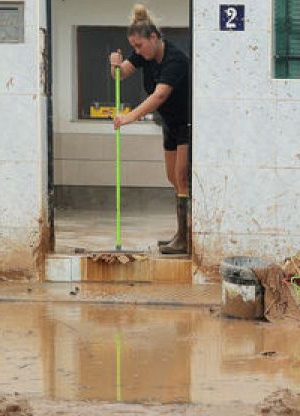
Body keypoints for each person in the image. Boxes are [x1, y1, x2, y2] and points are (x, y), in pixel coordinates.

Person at [110, 5, 192, 256]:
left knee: (182, 178)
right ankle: (181, 233)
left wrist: (128, 118)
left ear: (153, 38)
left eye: (139, 45)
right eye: (133, 46)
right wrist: (114, 65)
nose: (137, 51)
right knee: (172, 178)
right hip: (170, 124)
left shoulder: (175, 59)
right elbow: (121, 74)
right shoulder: (145, 56)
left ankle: (187, 237)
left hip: (188, 123)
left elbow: (159, 96)